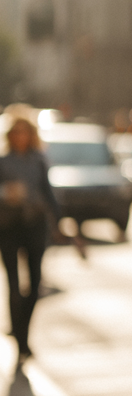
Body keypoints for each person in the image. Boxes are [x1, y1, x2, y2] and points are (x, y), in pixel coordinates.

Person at [0, 110, 60, 361]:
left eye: (24, 132)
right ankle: (21, 342)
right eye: (16, 132)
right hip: (9, 226)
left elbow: (49, 192)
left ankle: (22, 330)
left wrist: (59, 221)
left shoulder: (38, 160)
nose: (20, 137)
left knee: (35, 285)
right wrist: (6, 194)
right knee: (14, 285)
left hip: (35, 225)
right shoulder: (3, 161)